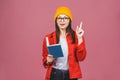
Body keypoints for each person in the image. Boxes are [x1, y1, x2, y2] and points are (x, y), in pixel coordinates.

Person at [42, 6, 87, 80]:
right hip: (55, 73)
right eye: (59, 18)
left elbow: (81, 58)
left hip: (71, 74)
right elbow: (45, 61)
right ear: (56, 20)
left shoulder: (76, 36)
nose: (62, 21)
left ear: (70, 20)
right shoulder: (48, 38)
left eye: (65, 18)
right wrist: (48, 61)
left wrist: (79, 38)